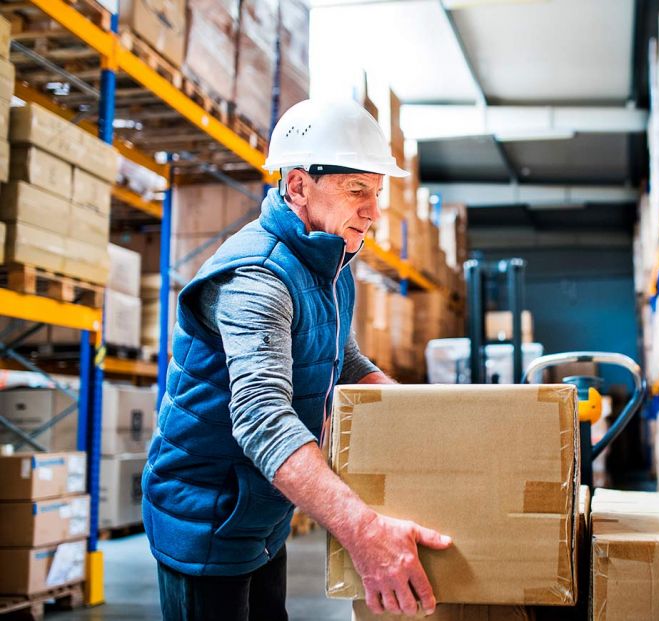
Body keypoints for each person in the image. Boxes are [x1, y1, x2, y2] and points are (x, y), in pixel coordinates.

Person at [142, 99, 451, 621]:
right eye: (358, 191)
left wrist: (419, 419)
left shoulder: (331, 263)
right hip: (206, 518)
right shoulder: (256, 278)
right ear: (298, 187)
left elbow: (341, 356)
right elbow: (263, 420)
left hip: (262, 509)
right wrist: (364, 532)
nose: (373, 212)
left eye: (377, 193)